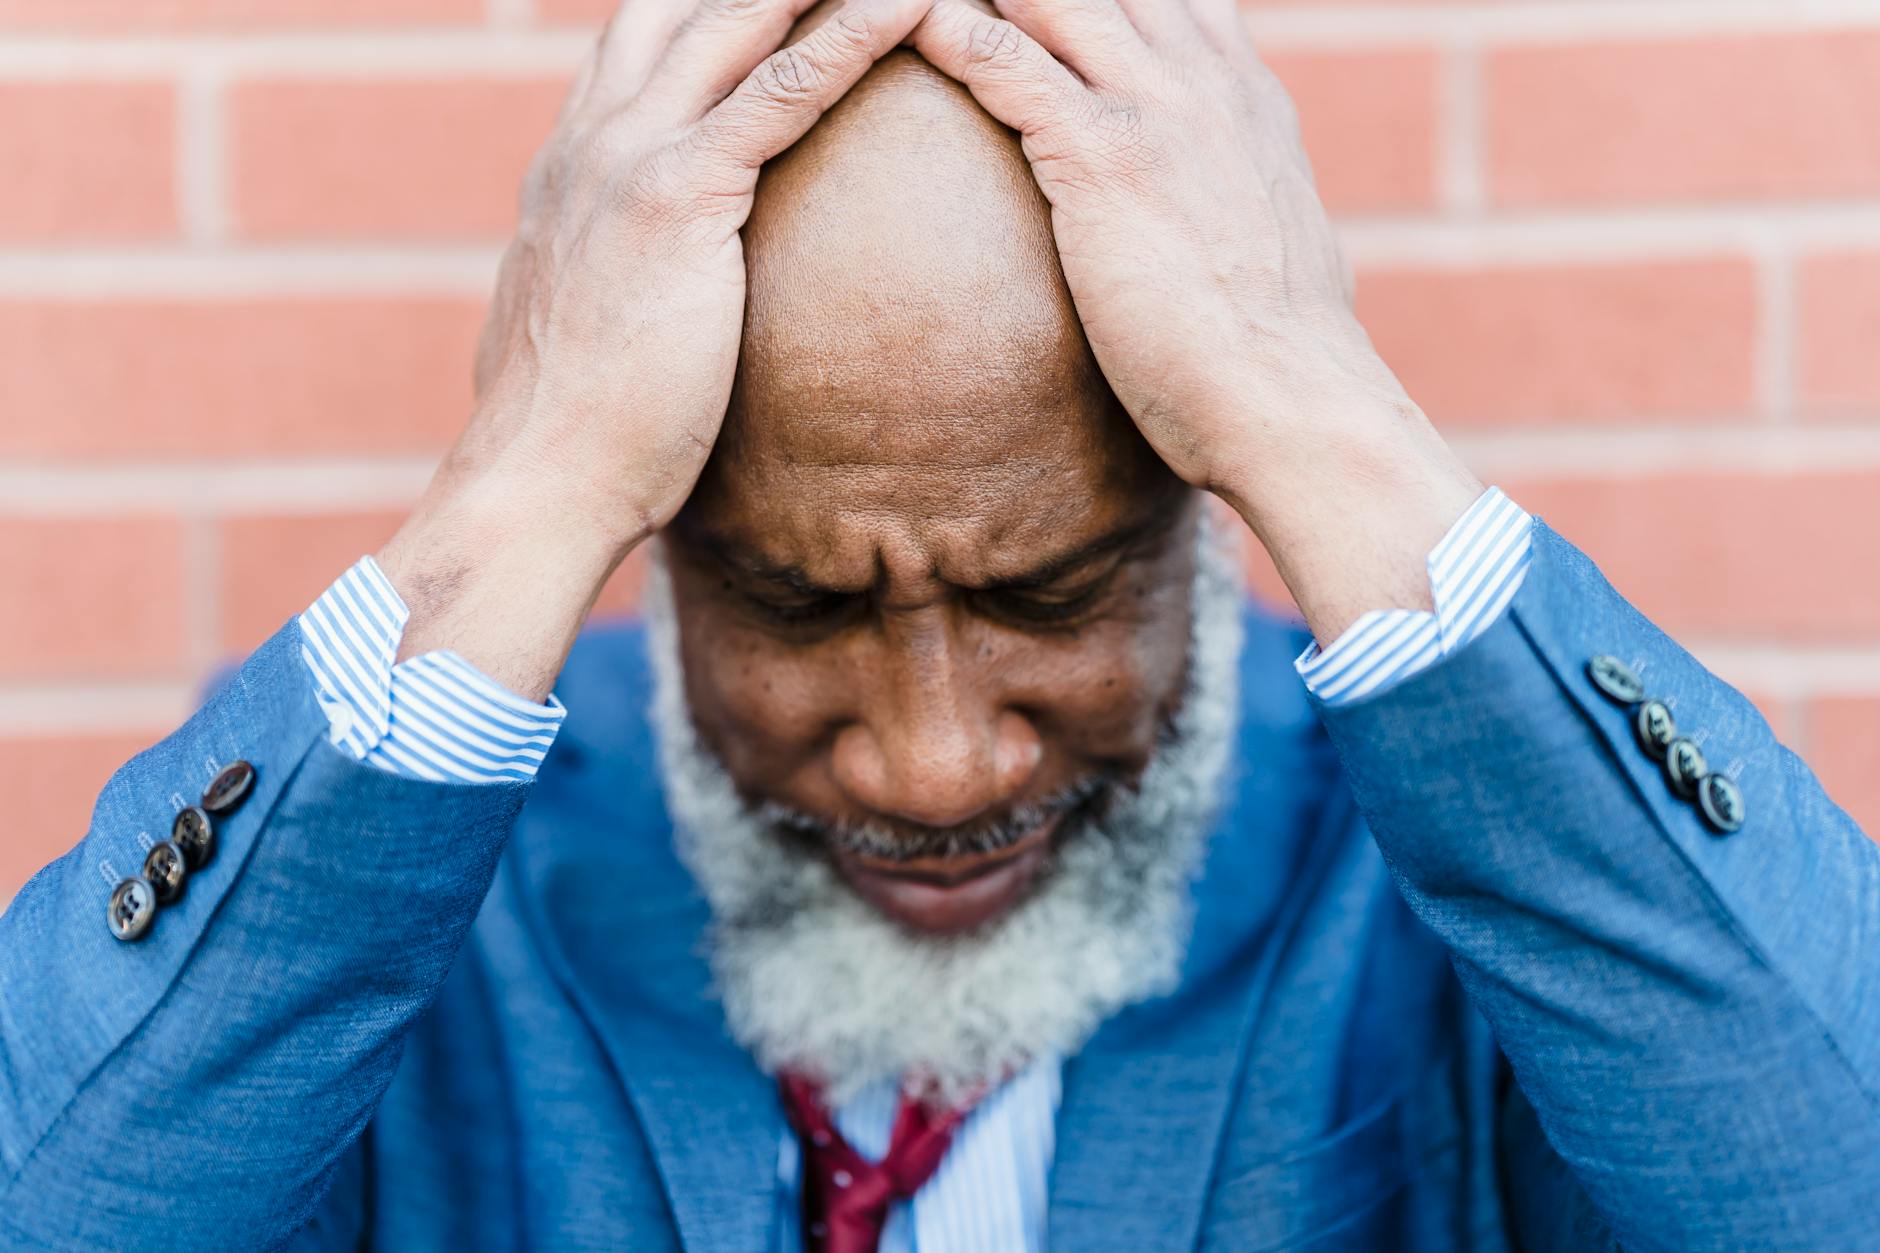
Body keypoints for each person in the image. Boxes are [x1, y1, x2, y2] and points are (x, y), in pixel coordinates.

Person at [3, 0, 1876, 1247]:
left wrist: (1326, 410)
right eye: (799, 602)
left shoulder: (1462, 878)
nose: (932, 757)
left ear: (1212, 510)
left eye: (1050, 594)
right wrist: (525, 471)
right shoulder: (391, 900)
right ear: (648, 538)